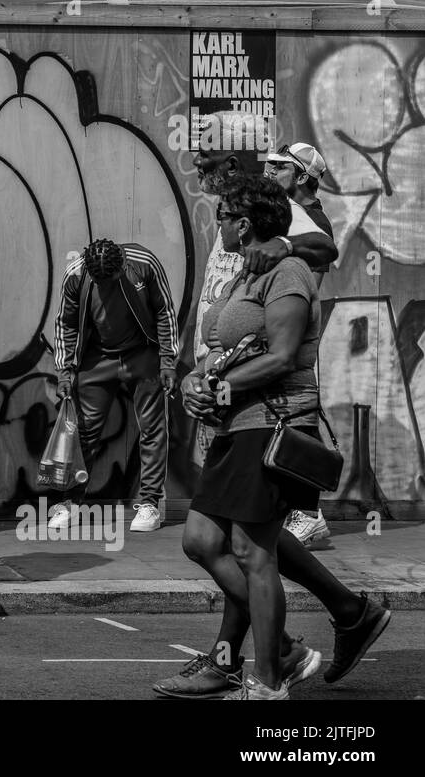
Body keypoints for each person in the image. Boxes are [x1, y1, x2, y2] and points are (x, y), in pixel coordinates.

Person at [155, 139, 390, 698]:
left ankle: (267, 673)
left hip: (271, 421)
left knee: (250, 551)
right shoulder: (241, 273)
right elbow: (225, 346)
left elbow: (284, 351)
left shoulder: (287, 262)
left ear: (248, 220)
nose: (218, 221)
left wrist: (218, 382)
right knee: (203, 540)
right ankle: (296, 640)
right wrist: (197, 377)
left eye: (226, 214)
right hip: (233, 420)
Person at [51, 239, 178, 532]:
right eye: (102, 281)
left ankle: (149, 503)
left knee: (153, 427)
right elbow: (66, 323)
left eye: (114, 277)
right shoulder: (76, 275)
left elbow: (164, 310)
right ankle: (70, 503)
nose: (108, 284)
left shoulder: (143, 262)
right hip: (97, 357)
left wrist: (168, 361)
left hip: (142, 353)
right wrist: (65, 371)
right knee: (83, 431)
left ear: (122, 265)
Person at [263, 141, 333, 548]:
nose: (269, 170)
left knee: (300, 421)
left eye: (280, 166)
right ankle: (299, 510)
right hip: (283, 333)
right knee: (287, 420)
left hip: (294, 337)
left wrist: (287, 338)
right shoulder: (292, 215)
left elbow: (309, 287)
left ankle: (309, 514)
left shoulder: (314, 221)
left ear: (303, 176)